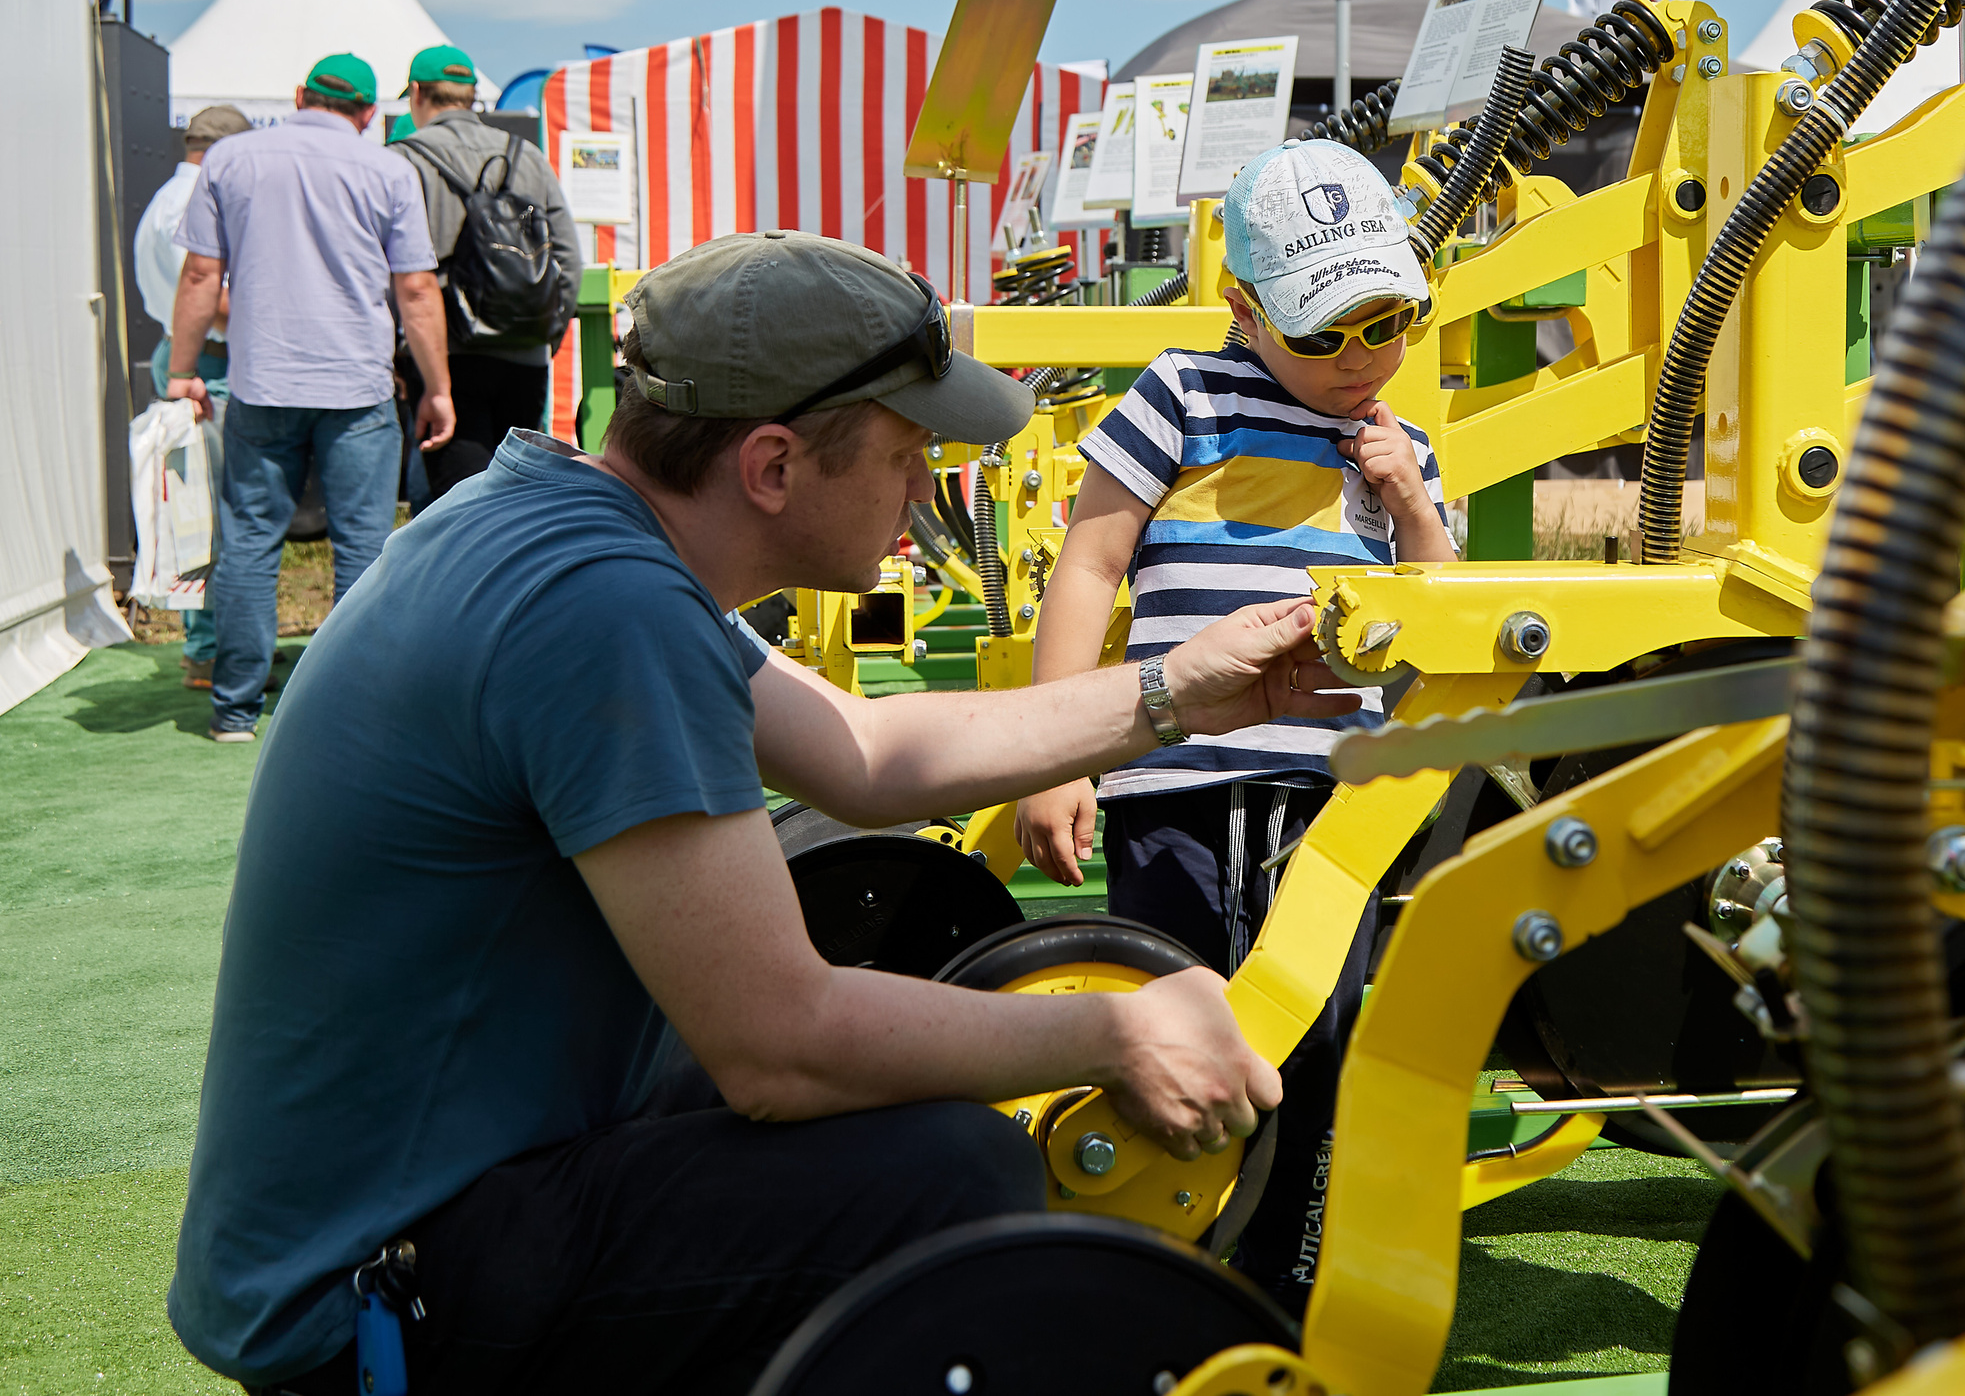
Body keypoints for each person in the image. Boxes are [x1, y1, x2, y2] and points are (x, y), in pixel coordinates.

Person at [167, 230, 1346, 1396]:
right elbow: (778, 1050)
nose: (926, 487)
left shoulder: (563, 525)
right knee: (945, 1170)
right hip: (366, 1303)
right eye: (907, 451)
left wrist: (1176, 691)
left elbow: (869, 754)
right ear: (773, 466)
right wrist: (1114, 1030)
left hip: (403, 1219)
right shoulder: (606, 610)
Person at [1012, 137, 1456, 1313]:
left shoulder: (1398, 439)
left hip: (1340, 795)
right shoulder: (1183, 392)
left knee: (1323, 1034)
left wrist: (1409, 494)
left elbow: (1442, 608)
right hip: (1184, 778)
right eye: (1323, 332)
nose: (1361, 356)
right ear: (1244, 310)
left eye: (1387, 320)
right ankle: (1153, 1260)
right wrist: (1056, 752)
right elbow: (1090, 561)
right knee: (1173, 1015)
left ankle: (1287, 1269)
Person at [165, 53, 456, 743]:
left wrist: (181, 369)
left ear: (299, 95)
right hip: (357, 385)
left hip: (263, 383)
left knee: (248, 543)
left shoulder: (232, 159)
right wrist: (438, 388)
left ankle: (234, 710)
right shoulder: (387, 168)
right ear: (367, 113)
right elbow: (415, 290)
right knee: (362, 548)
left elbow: (202, 272)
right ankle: (356, 709)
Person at [392, 44, 580, 506]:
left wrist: (400, 352)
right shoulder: (526, 154)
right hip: (524, 351)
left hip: (444, 357)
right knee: (519, 501)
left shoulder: (401, 160)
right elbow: (569, 259)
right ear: (473, 95)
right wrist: (543, 336)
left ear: (417, 93)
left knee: (458, 507)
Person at [133, 103, 252, 686]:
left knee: (198, 511)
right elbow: (206, 293)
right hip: (206, 363)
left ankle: (215, 642)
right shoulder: (193, 202)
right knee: (215, 515)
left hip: (184, 357)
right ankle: (211, 650)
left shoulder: (163, 198)